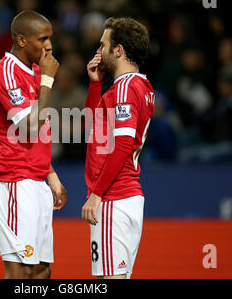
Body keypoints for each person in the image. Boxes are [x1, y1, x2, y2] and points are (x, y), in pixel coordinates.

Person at [0, 10, 67, 279]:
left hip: (35, 179)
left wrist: (51, 175)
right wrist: (47, 80)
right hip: (14, 179)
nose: (49, 46)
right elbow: (30, 127)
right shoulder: (6, 73)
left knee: (41, 269)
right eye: (43, 39)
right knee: (20, 269)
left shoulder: (32, 71)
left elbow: (38, 135)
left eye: (50, 38)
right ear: (22, 40)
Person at [81, 17, 154, 279]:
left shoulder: (124, 88)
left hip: (114, 198)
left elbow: (122, 144)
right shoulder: (140, 87)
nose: (98, 52)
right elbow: (95, 130)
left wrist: (97, 194)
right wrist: (95, 83)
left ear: (118, 50)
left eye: (103, 45)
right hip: (126, 197)